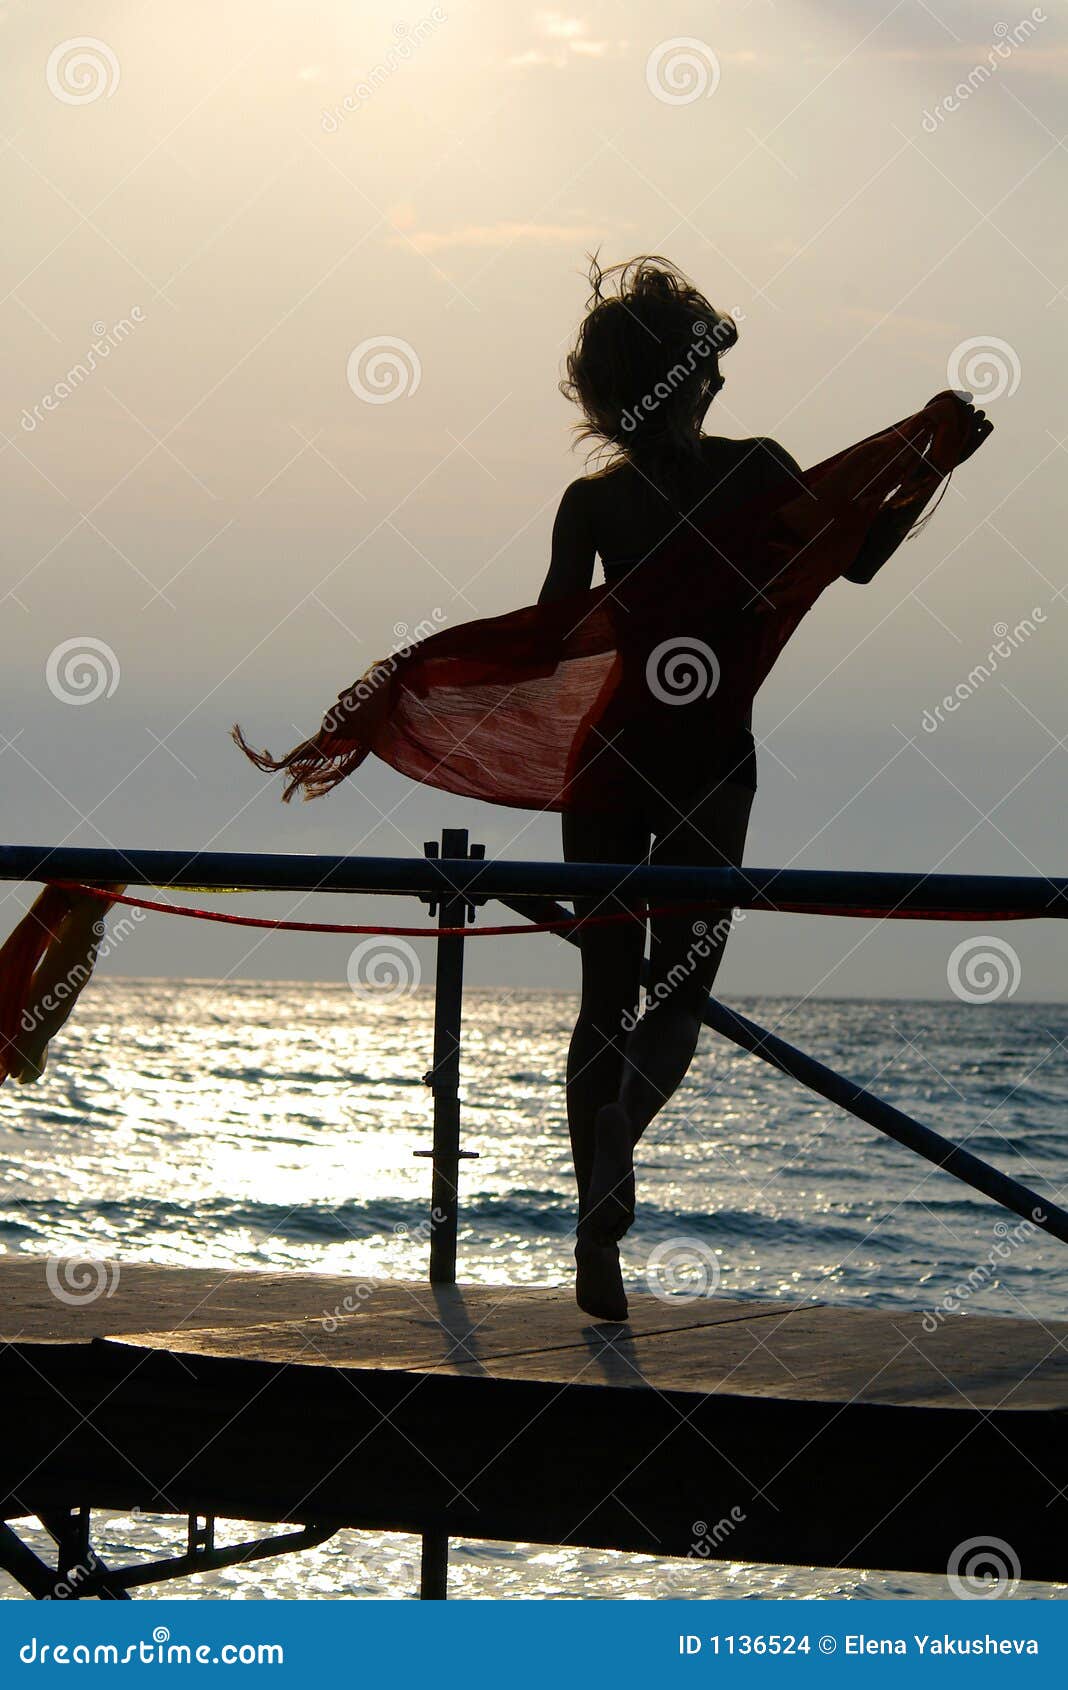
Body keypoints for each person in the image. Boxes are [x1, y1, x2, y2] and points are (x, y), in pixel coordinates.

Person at [537, 256, 992, 1321]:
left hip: (607, 761)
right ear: (685, 382)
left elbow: (551, 638)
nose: (721, 389)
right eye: (708, 371)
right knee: (677, 996)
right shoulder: (755, 474)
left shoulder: (591, 504)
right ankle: (621, 1139)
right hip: (706, 765)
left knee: (601, 998)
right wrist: (934, 463)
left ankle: (590, 1241)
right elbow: (860, 555)